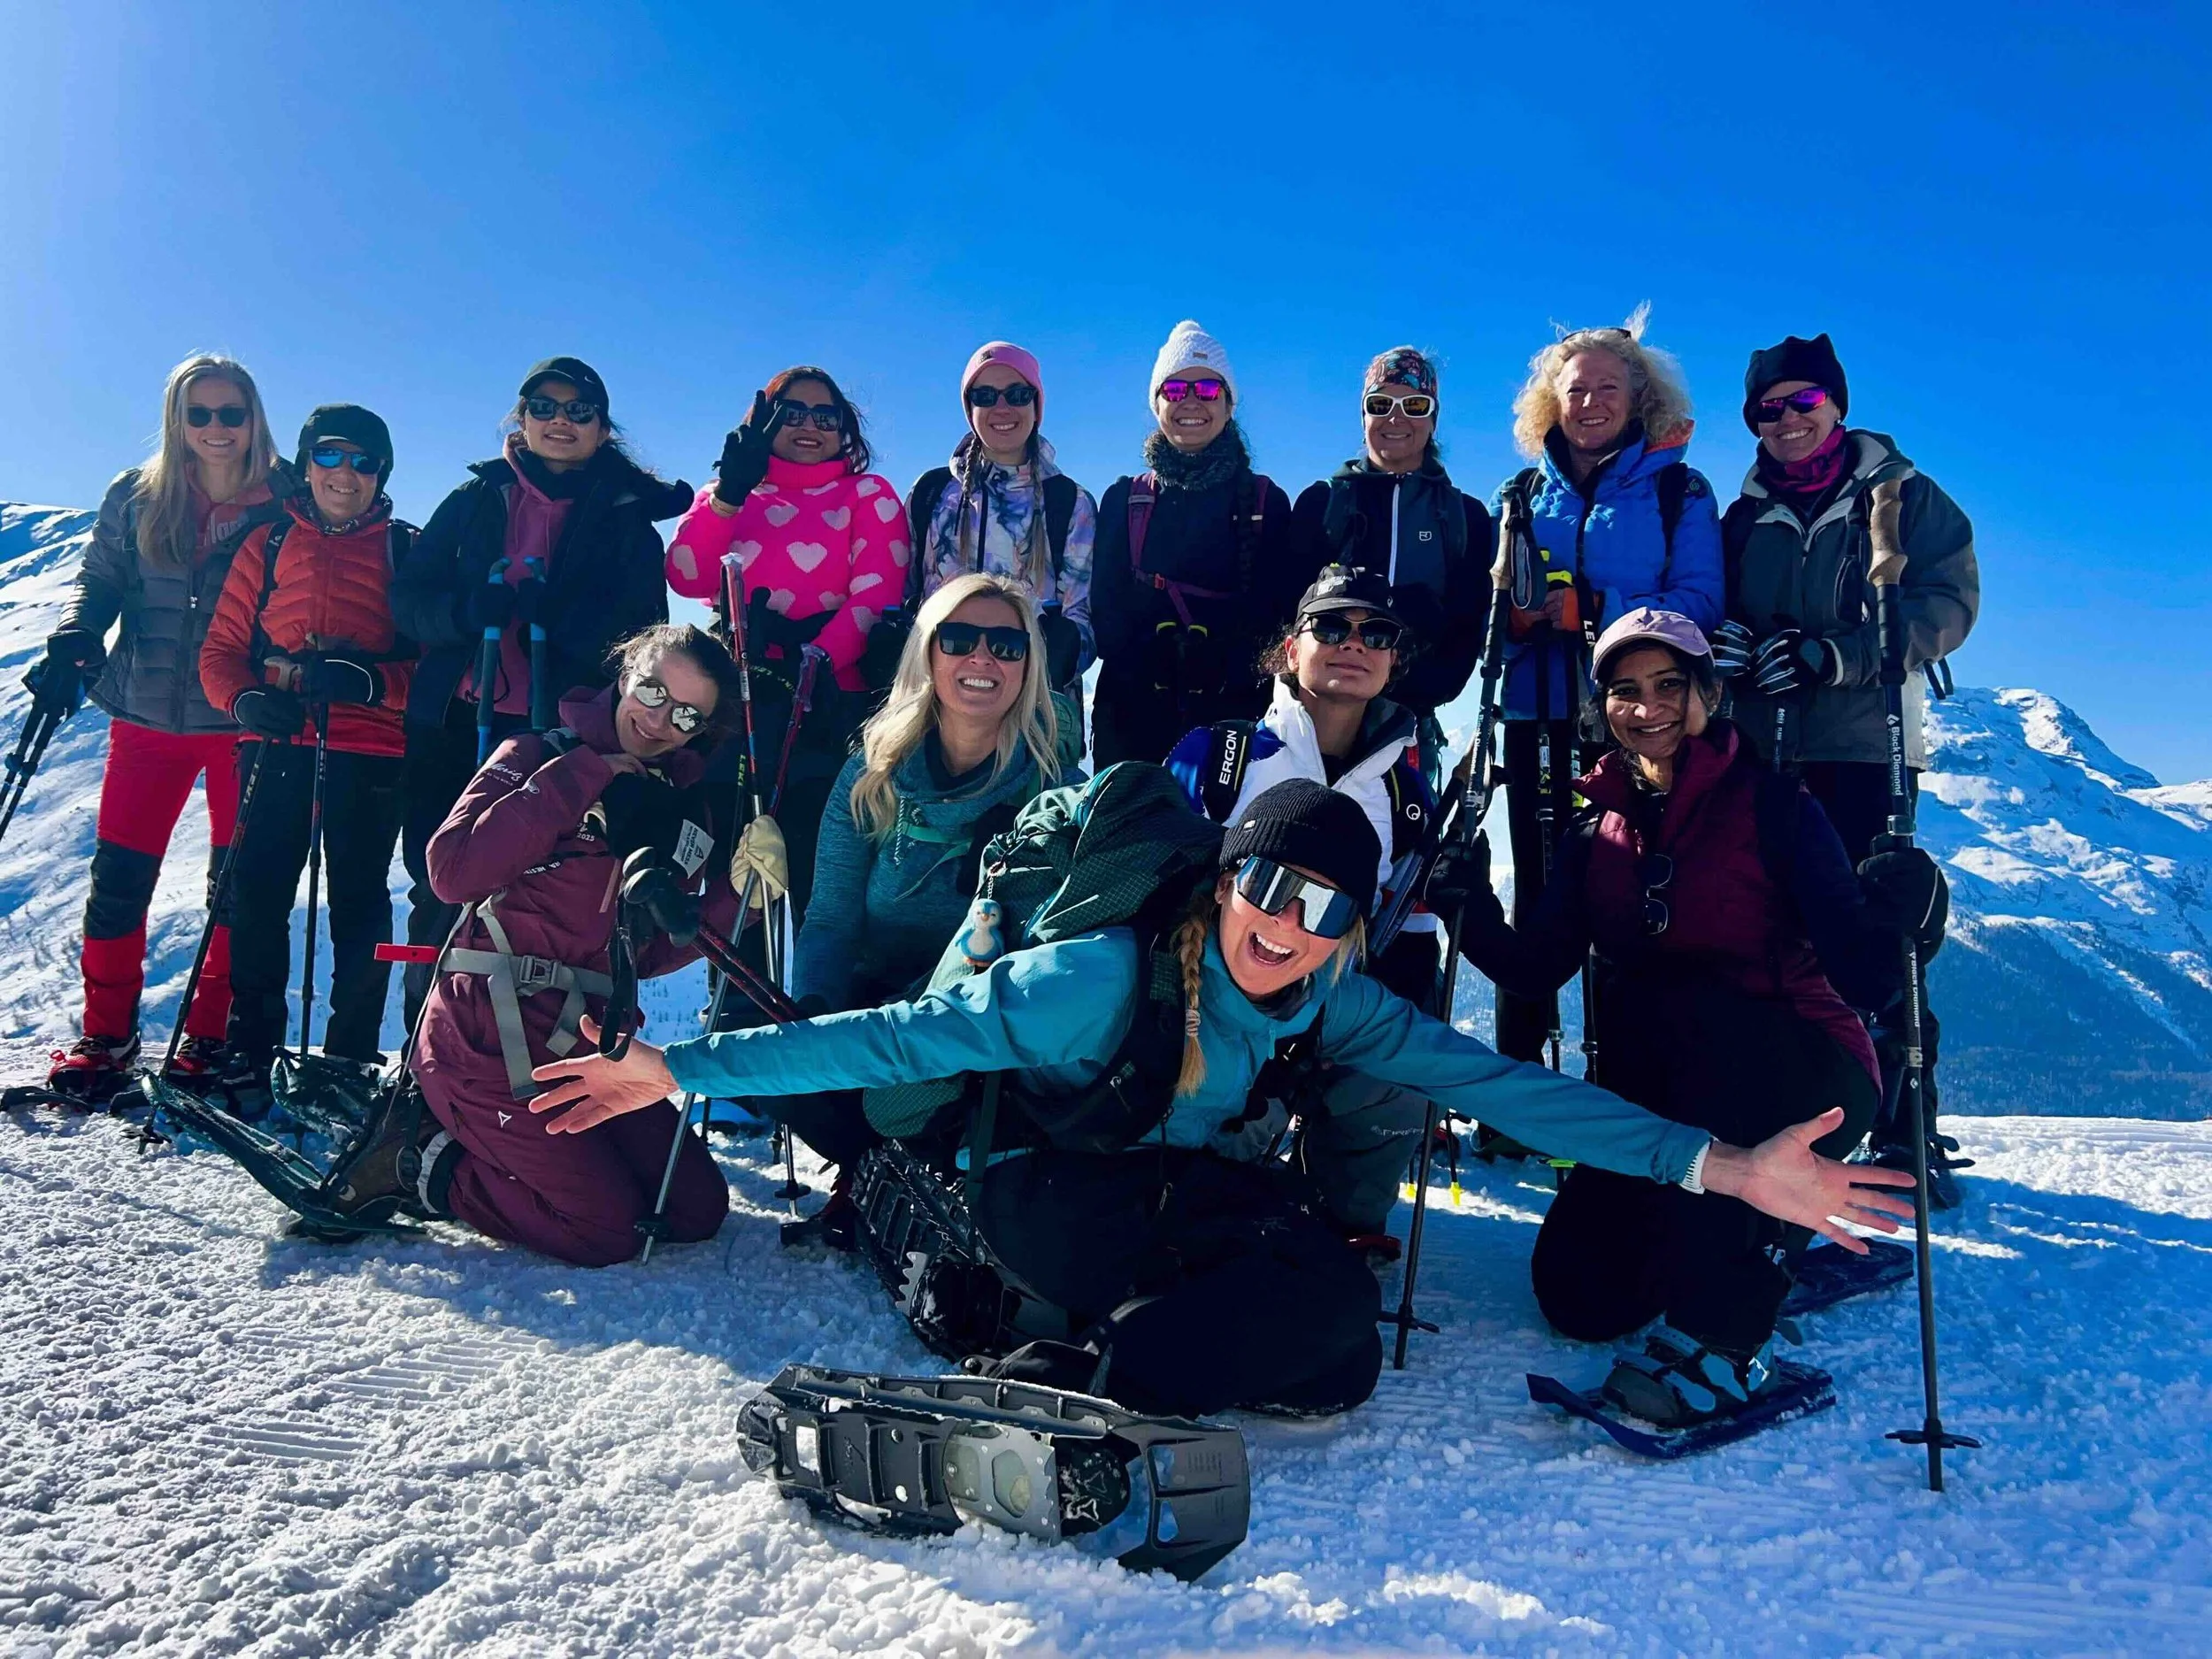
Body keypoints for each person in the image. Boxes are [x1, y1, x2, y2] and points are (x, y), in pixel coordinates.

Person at [530, 778, 1915, 1423]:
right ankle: (1066, 1366)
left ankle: (1070, 1360)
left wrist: (1725, 1170)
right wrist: (676, 1066)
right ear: (1222, 880)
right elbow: (901, 1038)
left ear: (1350, 930)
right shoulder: (1100, 972)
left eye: (1325, 907)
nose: (1286, 922)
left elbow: (1508, 1087)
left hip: (1168, 1194)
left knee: (1340, 1352)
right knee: (1262, 1306)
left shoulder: (1335, 996)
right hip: (1052, 1182)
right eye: (1265, 883)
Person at [1429, 608, 1947, 1426]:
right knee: (1580, 1296)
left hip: (1806, 1077)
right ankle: (1760, 1233)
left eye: (1671, 684)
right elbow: (1538, 969)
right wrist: (1473, 906)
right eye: (1627, 690)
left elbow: (1867, 975)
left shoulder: (1776, 807)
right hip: (1672, 1094)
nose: (1650, 706)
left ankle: (1734, 1333)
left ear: (1709, 691)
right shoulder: (1588, 833)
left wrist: (1912, 910)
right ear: (1605, 709)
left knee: (1707, 1027)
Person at [296, 626, 749, 1263]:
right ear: (624, 674)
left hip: (586, 1045)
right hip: (484, 1041)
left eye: (686, 714)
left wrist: (737, 894)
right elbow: (452, 872)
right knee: (606, 1231)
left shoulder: (678, 810)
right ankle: (419, 1160)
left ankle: (504, 1149)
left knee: (695, 1208)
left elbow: (646, 954)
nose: (658, 719)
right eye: (651, 689)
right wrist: (581, 777)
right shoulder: (536, 756)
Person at [1714, 333, 1979, 1203]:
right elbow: (1718, 606)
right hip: (1767, 747)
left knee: (1877, 934)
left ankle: (1909, 1130)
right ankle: (1801, 1109)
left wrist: (1841, 656)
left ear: (1836, 406)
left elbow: (1948, 604)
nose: (1785, 420)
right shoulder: (1744, 516)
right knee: (1774, 931)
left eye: (1802, 402)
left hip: (1867, 746)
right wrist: (1729, 650)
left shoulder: (1900, 496)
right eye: (1768, 407)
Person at [389, 357, 689, 1025]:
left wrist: (572, 627)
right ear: (520, 417)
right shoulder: (474, 501)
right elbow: (409, 599)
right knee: (439, 882)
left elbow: (646, 641)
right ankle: (428, 1051)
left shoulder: (625, 520)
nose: (561, 421)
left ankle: (525, 1048)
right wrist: (468, 613)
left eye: (580, 410)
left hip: (560, 733)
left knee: (548, 888)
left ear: (603, 428)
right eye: (545, 406)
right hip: (454, 717)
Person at [1166, 565, 1439, 1239]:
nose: (1354, 642)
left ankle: (1346, 1219)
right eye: (1330, 626)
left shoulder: (1406, 794)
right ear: (1291, 647)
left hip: (1327, 1012)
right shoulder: (1222, 757)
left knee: (1396, 1075)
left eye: (1376, 632)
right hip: (1213, 1015)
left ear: (1393, 660)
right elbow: (1160, 896)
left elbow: (1407, 943)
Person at [37, 355, 281, 1101]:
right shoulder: (138, 495)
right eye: (198, 414)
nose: (215, 429)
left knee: (233, 893)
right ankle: (106, 1037)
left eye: (230, 414)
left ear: (253, 419)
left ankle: (206, 1040)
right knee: (118, 881)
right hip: (144, 716)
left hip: (243, 720)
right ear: (177, 419)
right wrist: (79, 633)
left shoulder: (286, 499)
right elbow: (102, 579)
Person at [1489, 310, 1724, 1071]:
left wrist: (1591, 612)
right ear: (1550, 402)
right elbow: (1494, 608)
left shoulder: (1677, 490)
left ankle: (1635, 1074)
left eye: (1607, 388)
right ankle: (1521, 1080)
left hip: (1641, 721)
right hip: (1537, 712)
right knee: (1539, 889)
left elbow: (1700, 603)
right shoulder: (1526, 492)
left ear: (1638, 396)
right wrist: (1515, 619)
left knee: (1635, 894)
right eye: (1575, 389)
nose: (1589, 403)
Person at [197, 406, 417, 1107]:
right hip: (276, 738)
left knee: (359, 903)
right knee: (257, 896)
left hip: (372, 748)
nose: (345, 474)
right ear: (306, 462)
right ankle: (249, 1046)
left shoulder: (406, 550)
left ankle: (348, 1058)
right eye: (329, 456)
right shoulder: (268, 543)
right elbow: (220, 651)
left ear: (381, 472)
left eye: (363, 460)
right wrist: (246, 702)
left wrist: (371, 682)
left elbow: (438, 668)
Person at [664, 365, 907, 923]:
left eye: (827, 416)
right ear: (763, 420)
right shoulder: (731, 492)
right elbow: (687, 575)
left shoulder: (867, 494)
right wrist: (729, 494)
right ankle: (735, 1003)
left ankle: (819, 995)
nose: (810, 426)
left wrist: (815, 660)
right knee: (737, 870)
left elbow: (876, 593)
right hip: (735, 702)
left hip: (831, 706)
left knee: (821, 864)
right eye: (791, 412)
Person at [1089, 320, 1295, 768]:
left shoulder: (1266, 503)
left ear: (1228, 402)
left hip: (1235, 725)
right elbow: (1104, 609)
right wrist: (1151, 659)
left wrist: (1227, 663)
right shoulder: (1126, 500)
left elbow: (1280, 615)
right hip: (1132, 722)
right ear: (1156, 402)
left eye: (1205, 389)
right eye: (1175, 389)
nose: (1190, 401)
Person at [1286, 347, 1496, 773]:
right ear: (1363, 416)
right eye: (1380, 404)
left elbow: (1469, 622)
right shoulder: (1323, 503)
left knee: (1403, 834)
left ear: (1433, 419)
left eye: (1415, 405)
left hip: (1411, 723)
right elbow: (1284, 607)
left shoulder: (1465, 517)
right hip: (1316, 719)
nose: (1395, 418)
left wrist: (1425, 687)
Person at [897, 342, 1095, 695]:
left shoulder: (1069, 501)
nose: (1002, 407)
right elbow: (903, 595)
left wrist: (1059, 655)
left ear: (1036, 406)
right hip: (933, 699)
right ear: (969, 407)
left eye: (1018, 394)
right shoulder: (932, 492)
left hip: (1034, 707)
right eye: (985, 395)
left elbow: (1083, 620)